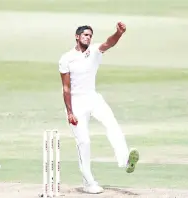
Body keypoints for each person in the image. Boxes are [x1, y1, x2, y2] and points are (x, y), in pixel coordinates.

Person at [58, 22, 139, 194]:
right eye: (85, 35)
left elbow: (108, 43)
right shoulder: (66, 58)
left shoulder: (94, 51)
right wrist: (70, 112)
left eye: (90, 35)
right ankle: (88, 183)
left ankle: (125, 160)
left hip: (93, 98)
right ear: (77, 36)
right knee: (84, 142)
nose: (88, 37)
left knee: (112, 124)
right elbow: (66, 88)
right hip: (76, 103)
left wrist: (119, 33)